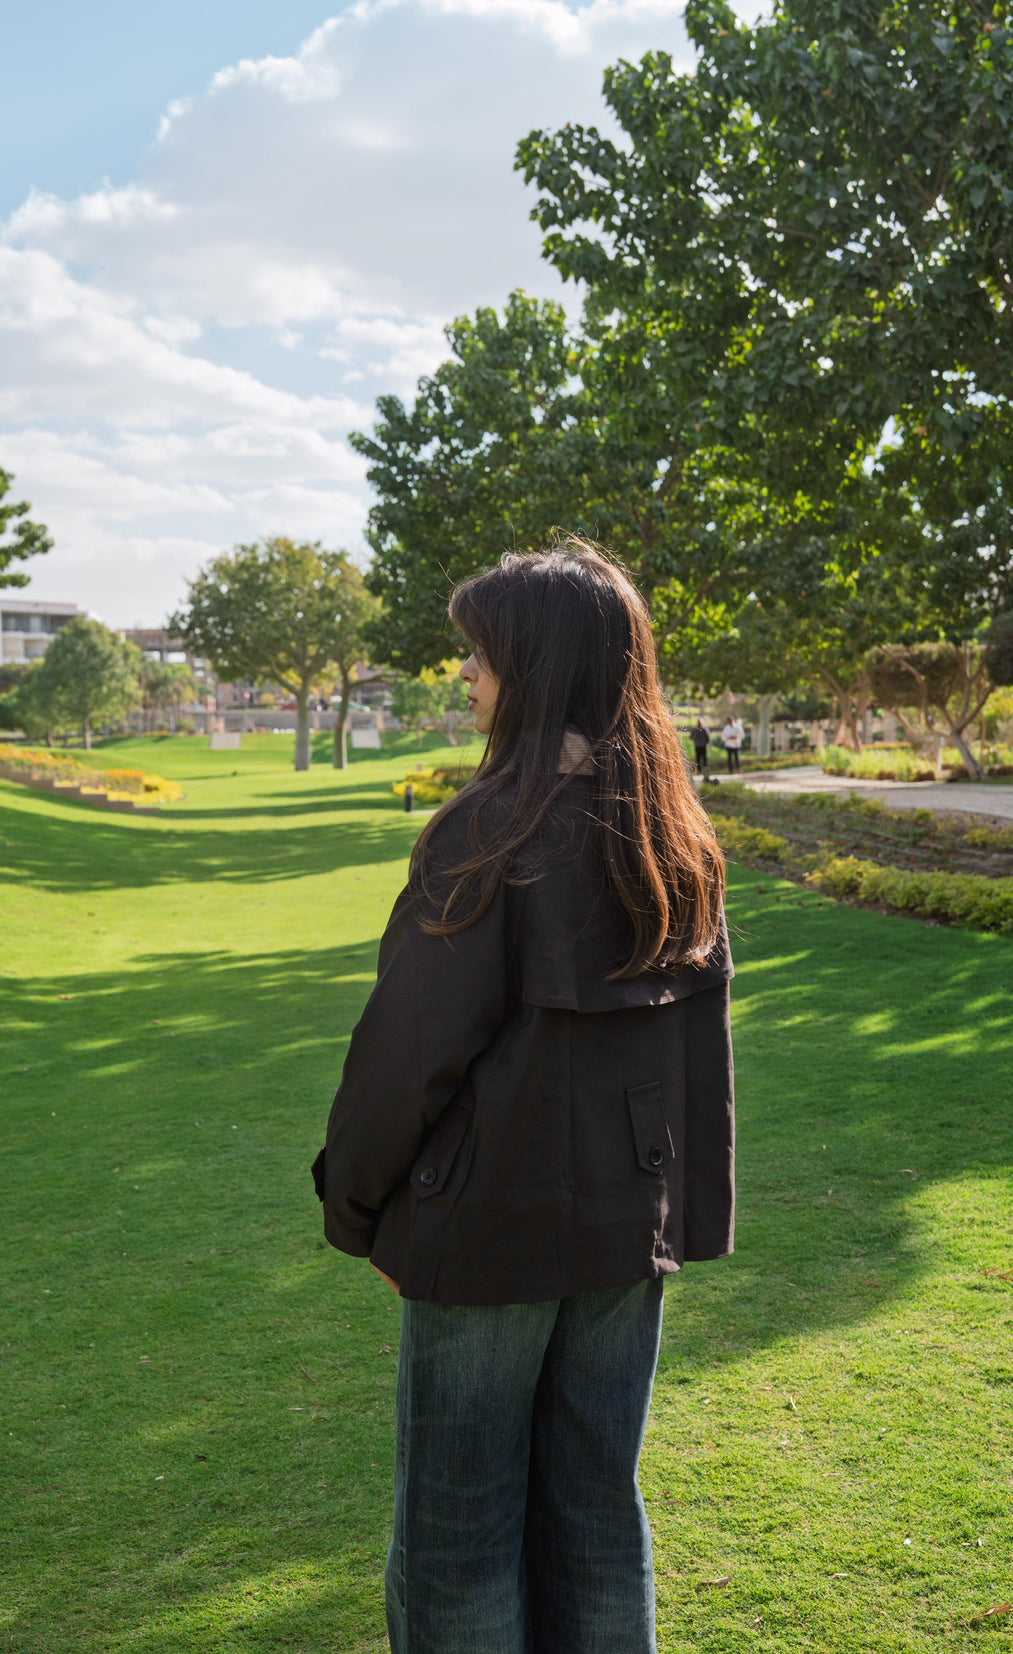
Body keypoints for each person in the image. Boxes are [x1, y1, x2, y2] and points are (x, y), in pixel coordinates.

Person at [313, 538, 735, 1654]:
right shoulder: (675, 838)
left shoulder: (489, 831)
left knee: (460, 1535)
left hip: (489, 1236)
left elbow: (407, 1055)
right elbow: (702, 1064)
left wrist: (352, 1209)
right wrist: (681, 1225)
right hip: (623, 1238)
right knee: (598, 1513)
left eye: (481, 653)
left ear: (536, 664)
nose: (468, 674)